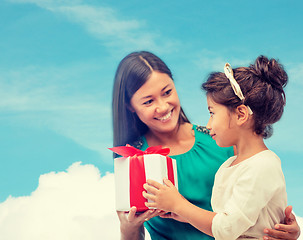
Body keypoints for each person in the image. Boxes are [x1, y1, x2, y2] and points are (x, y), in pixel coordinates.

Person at [112, 51, 301, 240]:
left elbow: (258, 200)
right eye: (148, 101)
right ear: (130, 106)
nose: (162, 107)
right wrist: (127, 228)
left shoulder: (222, 139)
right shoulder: (133, 160)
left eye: (167, 92)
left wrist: (285, 228)